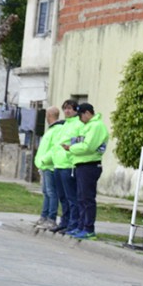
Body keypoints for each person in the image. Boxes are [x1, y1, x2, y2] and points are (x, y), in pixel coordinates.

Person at [63, 103, 109, 240]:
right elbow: (80, 143)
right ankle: (81, 226)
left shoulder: (96, 126)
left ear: (88, 113)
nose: (80, 119)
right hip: (81, 164)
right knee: (80, 198)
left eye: (81, 115)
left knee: (87, 198)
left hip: (90, 165)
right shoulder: (86, 126)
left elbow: (88, 147)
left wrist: (71, 148)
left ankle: (89, 228)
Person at [51, 99, 83, 234]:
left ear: (76, 110)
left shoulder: (78, 124)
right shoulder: (64, 124)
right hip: (58, 164)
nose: (67, 111)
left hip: (68, 165)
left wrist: (70, 157)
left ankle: (72, 223)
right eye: (65, 109)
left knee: (71, 197)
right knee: (62, 197)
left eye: (70, 108)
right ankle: (64, 222)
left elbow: (77, 143)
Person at [33, 107, 62, 230]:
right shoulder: (51, 130)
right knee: (46, 192)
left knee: (51, 192)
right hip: (45, 166)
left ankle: (51, 218)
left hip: (50, 166)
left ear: (49, 115)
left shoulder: (57, 130)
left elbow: (54, 149)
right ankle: (44, 216)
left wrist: (45, 160)